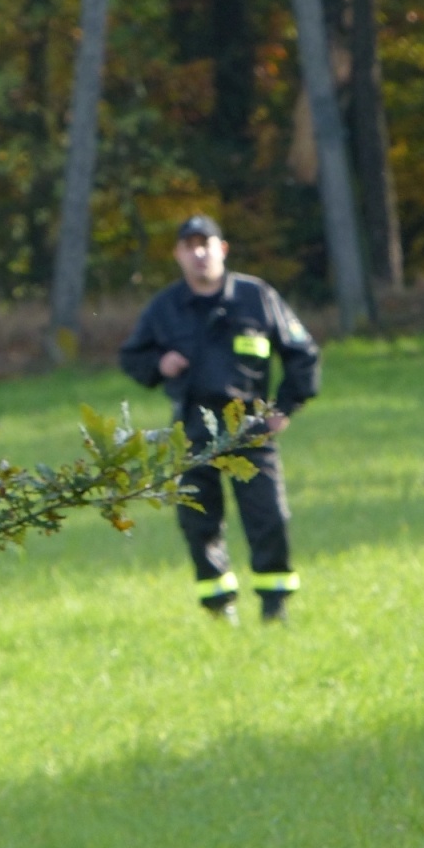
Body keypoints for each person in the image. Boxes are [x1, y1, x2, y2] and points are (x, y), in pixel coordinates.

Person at [119, 214, 320, 624]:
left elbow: (302, 354)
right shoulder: (165, 308)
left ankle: (274, 604)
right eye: (189, 246)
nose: (198, 253)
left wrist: (284, 407)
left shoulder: (256, 296)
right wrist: (161, 363)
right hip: (192, 427)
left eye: (205, 244)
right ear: (177, 255)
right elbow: (131, 357)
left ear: (222, 249)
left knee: (268, 517)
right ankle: (218, 605)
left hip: (250, 426)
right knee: (198, 521)